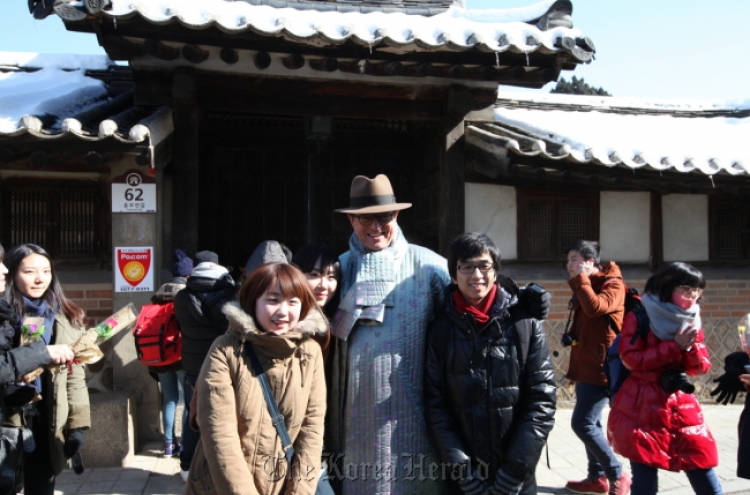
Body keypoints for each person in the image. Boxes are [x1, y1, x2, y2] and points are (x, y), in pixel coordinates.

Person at [328, 175, 549, 495]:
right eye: (365, 217)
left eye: (384, 216)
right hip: (355, 419)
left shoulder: (427, 267)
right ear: (351, 219)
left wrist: (521, 298)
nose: (375, 226)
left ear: (397, 216)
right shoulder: (337, 270)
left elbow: (475, 293)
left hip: (419, 415)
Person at [425, 233, 556, 495]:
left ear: (495, 271)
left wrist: (514, 471)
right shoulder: (440, 328)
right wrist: (464, 473)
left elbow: (541, 400)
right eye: (466, 267)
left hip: (517, 477)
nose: (477, 275)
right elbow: (435, 404)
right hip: (464, 481)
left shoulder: (524, 323)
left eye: (484, 266)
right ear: (453, 275)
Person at [183, 262, 327, 495]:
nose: (283, 311)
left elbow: (312, 431)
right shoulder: (226, 350)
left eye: (293, 302)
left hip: (280, 484)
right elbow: (220, 436)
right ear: (253, 302)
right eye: (272, 300)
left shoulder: (309, 353)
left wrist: (299, 491)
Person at [607, 262, 722, 495]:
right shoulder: (640, 315)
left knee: (703, 466)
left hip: (680, 404)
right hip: (640, 404)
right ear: (667, 286)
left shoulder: (691, 319)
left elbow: (701, 368)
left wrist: (690, 348)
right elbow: (632, 359)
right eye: (687, 290)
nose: (693, 297)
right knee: (645, 481)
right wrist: (674, 346)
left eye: (697, 291)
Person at [4, 244, 89, 495]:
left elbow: (75, 374)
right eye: (29, 271)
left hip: (48, 417)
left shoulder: (65, 315)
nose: (40, 278)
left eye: (46, 271)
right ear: (11, 274)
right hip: (8, 421)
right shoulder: (4, 316)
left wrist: (78, 425)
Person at [563, 240, 631, 495]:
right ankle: (597, 478)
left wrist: (581, 280)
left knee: (582, 424)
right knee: (592, 423)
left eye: (575, 259)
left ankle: (616, 474)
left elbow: (595, 308)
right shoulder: (588, 284)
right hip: (587, 364)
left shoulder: (613, 285)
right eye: (568, 260)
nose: (569, 265)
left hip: (604, 368)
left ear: (591, 261)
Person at [174, 258, 237, 481]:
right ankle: (220, 465)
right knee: (226, 415)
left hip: (192, 365)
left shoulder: (182, 297)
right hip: (222, 365)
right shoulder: (229, 295)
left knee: (192, 415)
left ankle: (187, 464)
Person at [150, 248, 192, 457]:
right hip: (181, 354)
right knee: (187, 401)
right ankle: (184, 442)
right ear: (188, 275)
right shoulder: (185, 295)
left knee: (170, 399)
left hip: (159, 356)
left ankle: (168, 445)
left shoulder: (158, 294)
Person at [292, 243, 340, 319]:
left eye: (331, 276)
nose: (323, 286)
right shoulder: (285, 321)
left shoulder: (339, 323)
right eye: (314, 275)